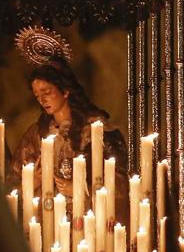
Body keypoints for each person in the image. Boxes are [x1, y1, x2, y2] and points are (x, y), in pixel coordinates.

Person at [9, 29, 128, 223]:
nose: (42, 100)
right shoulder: (36, 135)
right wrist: (33, 183)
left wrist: (83, 189)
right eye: (37, 96)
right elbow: (12, 183)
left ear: (65, 91)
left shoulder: (97, 131)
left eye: (47, 92)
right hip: (49, 224)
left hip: (88, 223)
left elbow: (120, 182)